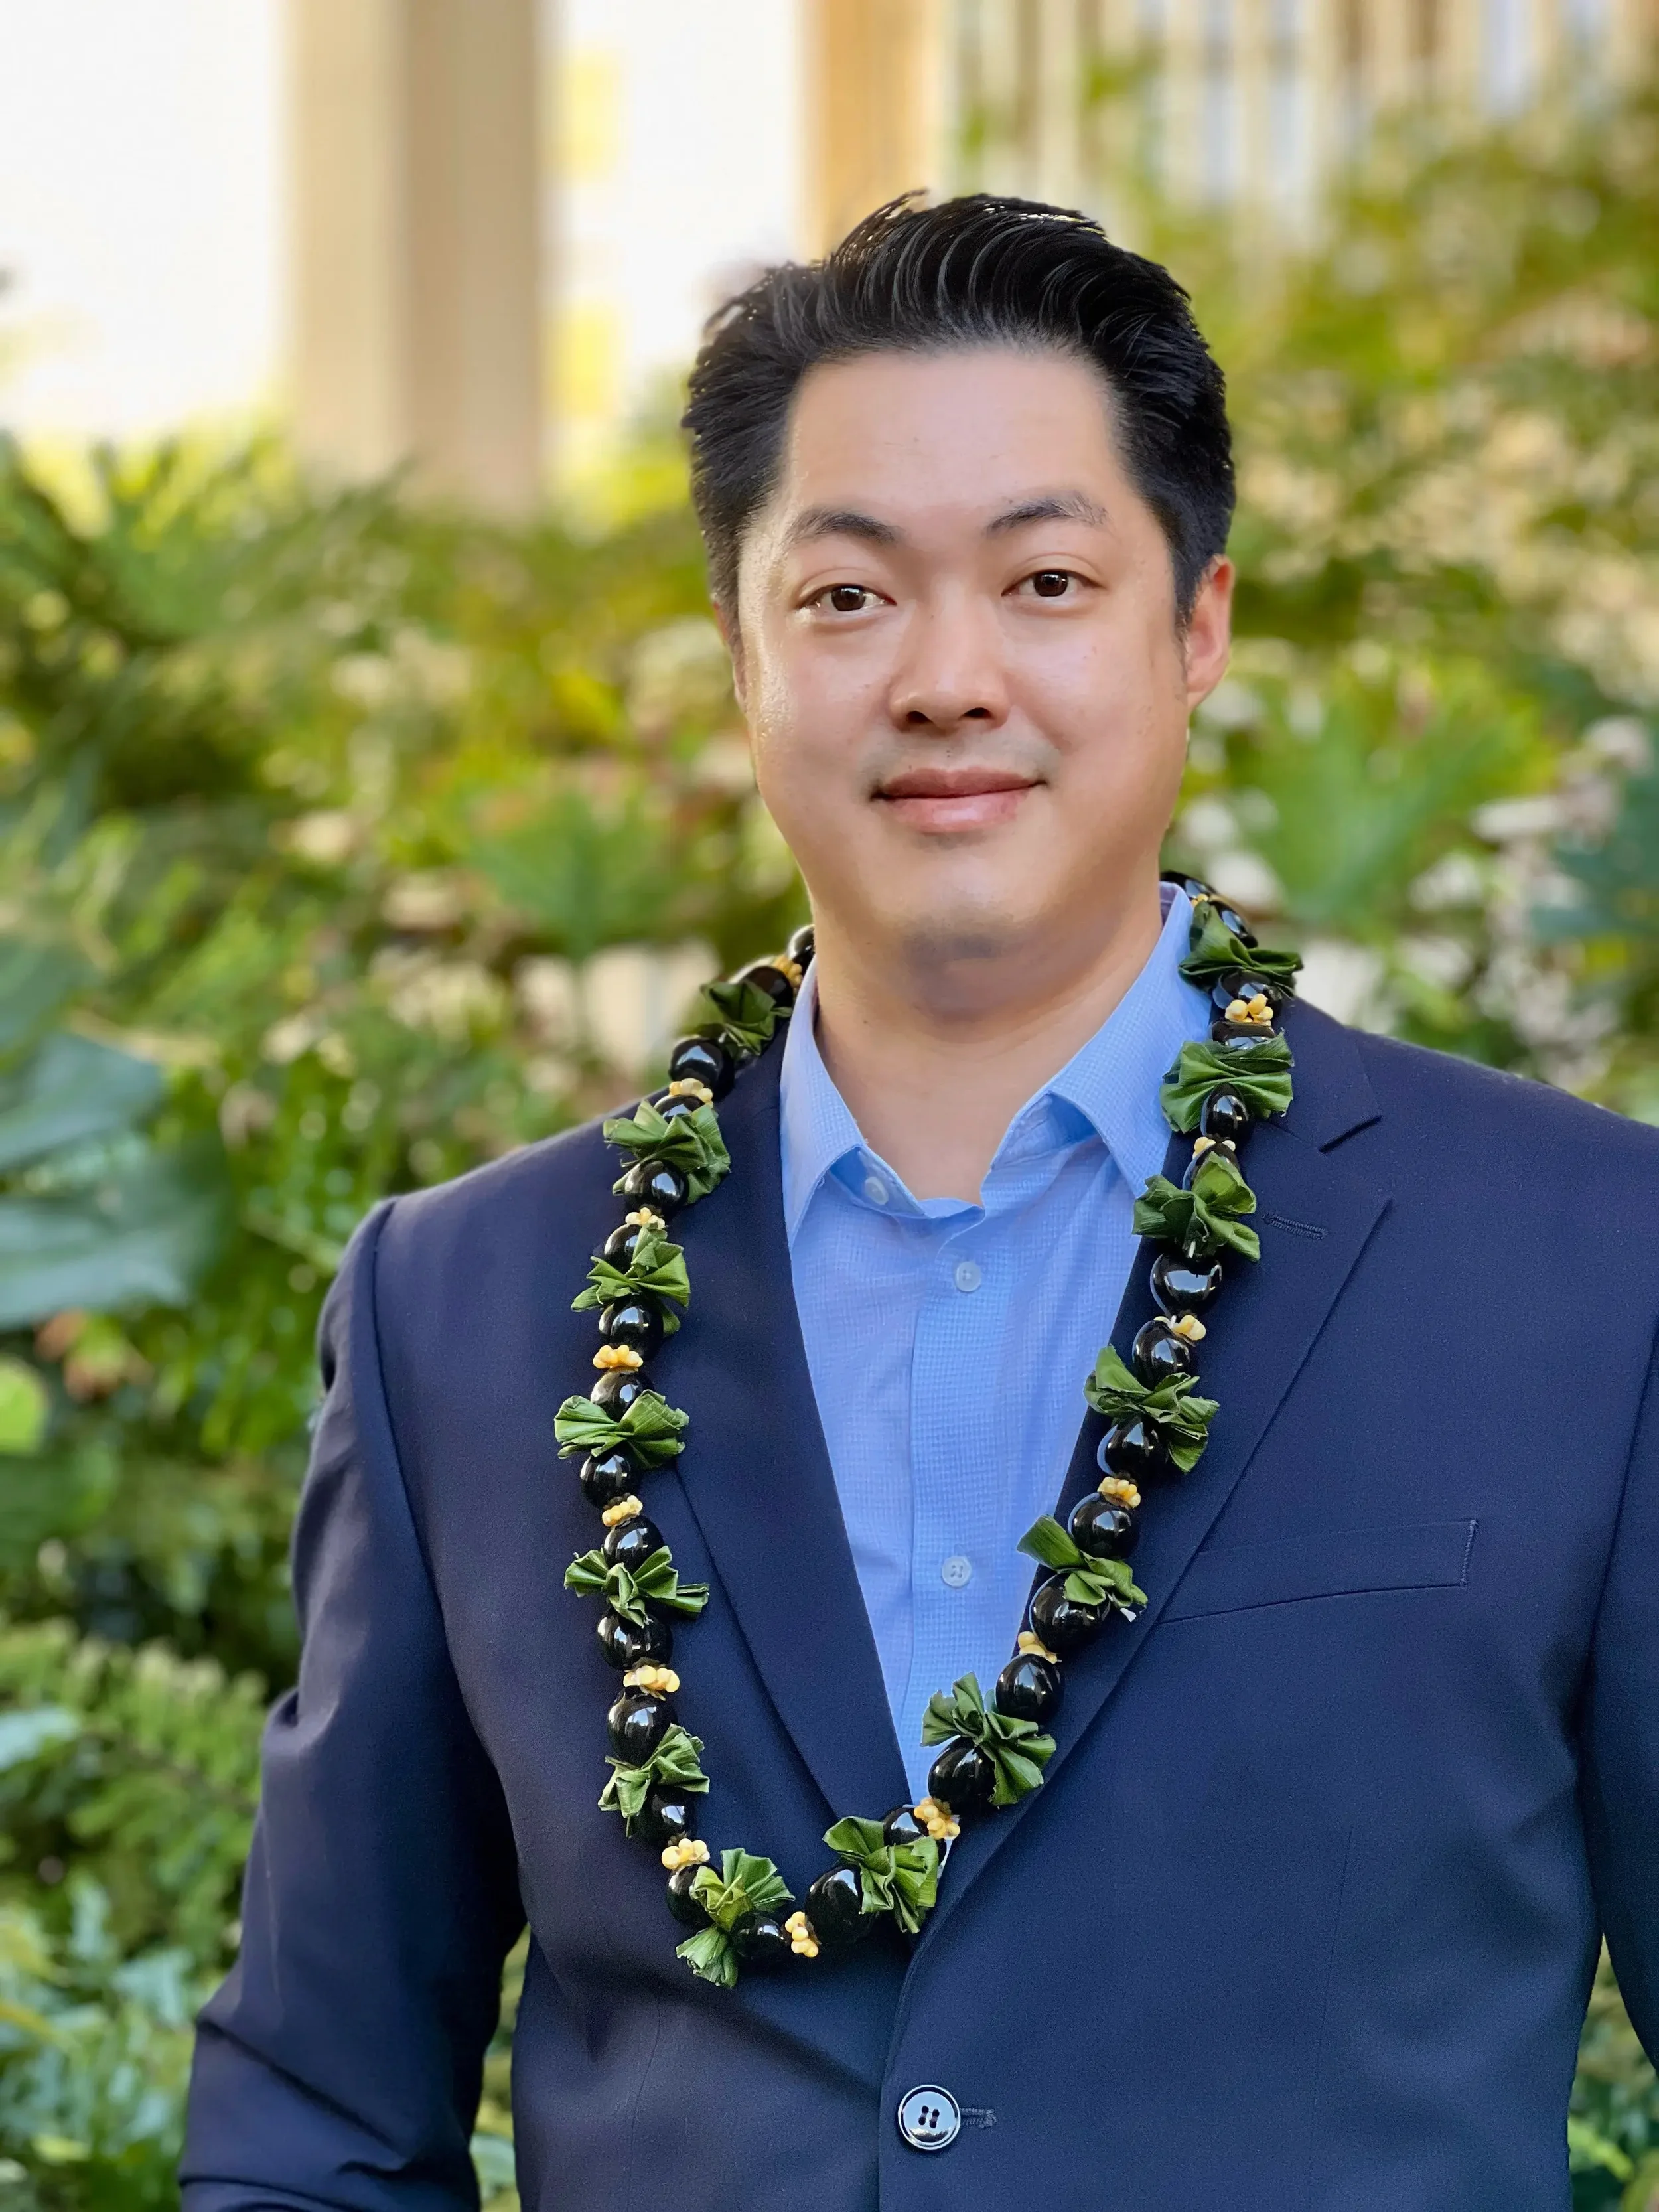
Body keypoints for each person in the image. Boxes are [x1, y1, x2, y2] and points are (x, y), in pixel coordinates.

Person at [180, 195, 1659, 2211]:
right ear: (740, 651)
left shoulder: (1584, 1264)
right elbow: (314, 2113)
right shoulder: (469, 1306)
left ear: (1196, 623)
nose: (949, 677)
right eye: (849, 596)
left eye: (1044, 578)